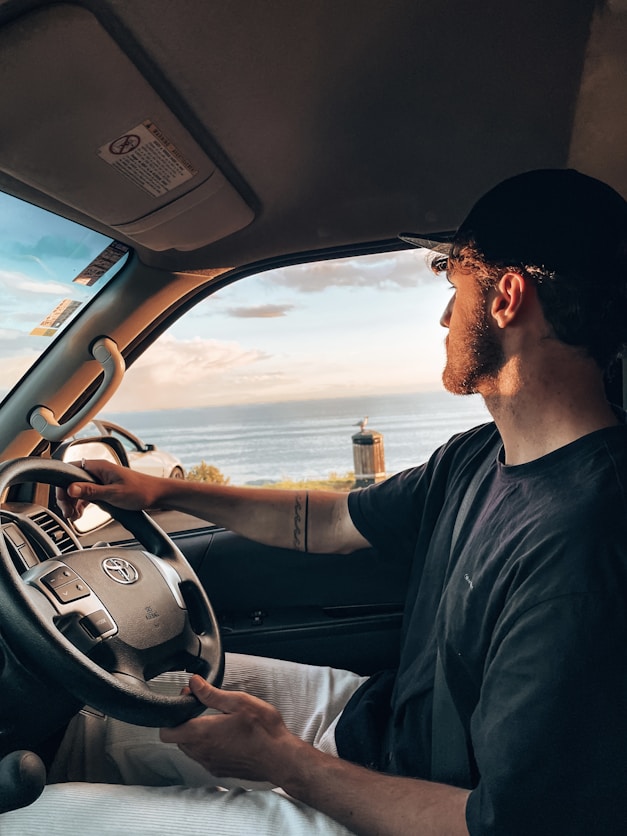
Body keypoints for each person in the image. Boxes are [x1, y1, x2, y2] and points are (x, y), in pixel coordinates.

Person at [4, 168, 627, 835]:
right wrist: (160, 490)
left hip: (414, 811)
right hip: (379, 730)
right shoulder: (479, 456)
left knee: (31, 821)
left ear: (506, 296)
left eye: (454, 282)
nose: (445, 315)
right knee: (102, 714)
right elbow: (330, 519)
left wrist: (285, 762)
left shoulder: (582, 552)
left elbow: (507, 827)